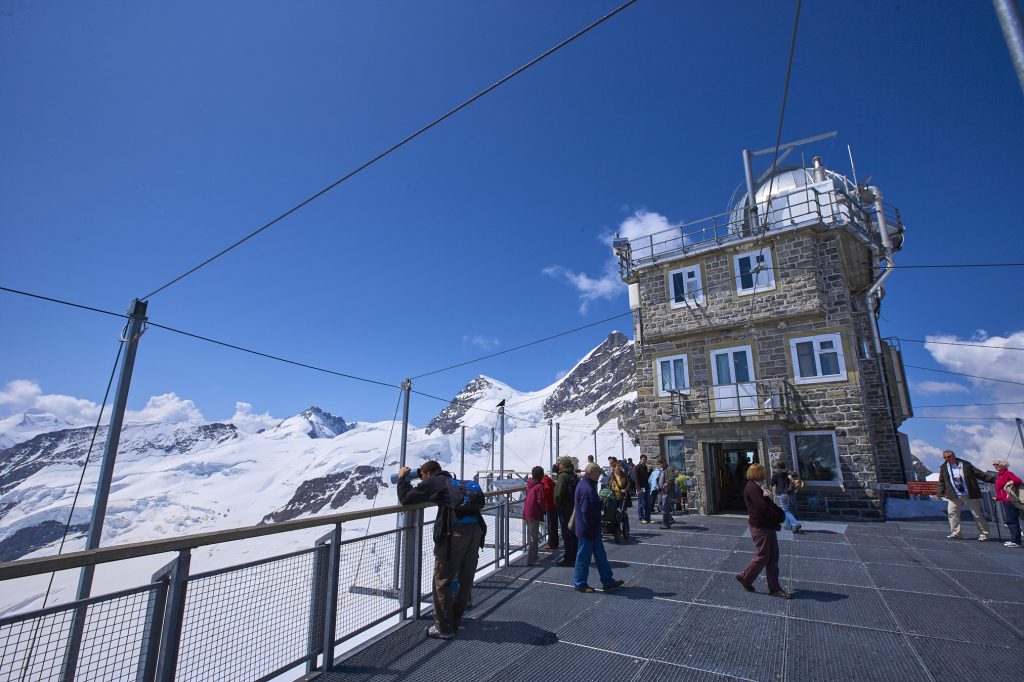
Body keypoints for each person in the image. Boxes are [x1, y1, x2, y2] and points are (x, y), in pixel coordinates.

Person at [397, 460, 486, 639]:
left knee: (442, 579)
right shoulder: (452, 480)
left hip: (456, 533)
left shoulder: (433, 481)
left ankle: (444, 628)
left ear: (427, 473)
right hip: (476, 529)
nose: (421, 480)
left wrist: (402, 479)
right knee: (466, 577)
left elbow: (406, 499)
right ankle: (455, 619)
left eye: (421, 476)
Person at [736, 463, 791, 599]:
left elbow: (765, 505)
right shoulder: (753, 488)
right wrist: (777, 516)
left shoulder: (756, 486)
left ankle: (774, 587)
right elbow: (762, 508)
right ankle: (746, 576)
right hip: (761, 526)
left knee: (772, 557)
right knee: (764, 555)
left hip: (766, 526)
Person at [573, 463, 625, 593]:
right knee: (583, 557)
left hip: (591, 528)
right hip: (588, 529)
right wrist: (593, 526)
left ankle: (607, 580)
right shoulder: (587, 489)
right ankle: (580, 583)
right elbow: (586, 511)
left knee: (600, 555)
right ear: (594, 474)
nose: (600, 476)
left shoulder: (585, 484)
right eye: (599, 474)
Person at [936, 450, 995, 541]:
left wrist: (994, 480)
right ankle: (956, 533)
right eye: (945, 457)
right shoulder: (944, 468)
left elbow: (979, 474)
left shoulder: (966, 465)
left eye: (949, 456)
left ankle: (984, 534)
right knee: (952, 513)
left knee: (977, 514)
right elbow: (941, 481)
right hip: (954, 495)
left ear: (954, 456)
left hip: (970, 494)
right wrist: (940, 492)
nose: (947, 459)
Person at [554, 456, 579, 566]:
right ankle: (575, 556)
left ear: (563, 465)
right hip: (573, 507)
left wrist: (557, 504)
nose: (558, 465)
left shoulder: (563, 476)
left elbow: (558, 493)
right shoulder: (572, 475)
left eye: (559, 464)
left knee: (566, 533)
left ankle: (568, 558)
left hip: (564, 508)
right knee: (573, 532)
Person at [993, 458, 1022, 548]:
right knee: (1011, 519)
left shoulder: (1007, 474)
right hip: (1006, 500)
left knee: (1012, 520)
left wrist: (1011, 485)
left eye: (996, 464)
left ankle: (1016, 541)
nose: (994, 466)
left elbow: (1018, 481)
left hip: (1010, 500)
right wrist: (997, 497)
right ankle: (1015, 539)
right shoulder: (1000, 475)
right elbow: (1001, 489)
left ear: (1002, 465)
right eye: (994, 464)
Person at [771, 459, 802, 533]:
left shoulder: (776, 474)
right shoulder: (789, 472)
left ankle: (796, 523)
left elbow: (772, 483)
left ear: (778, 466)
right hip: (792, 493)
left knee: (786, 510)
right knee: (790, 510)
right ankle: (790, 526)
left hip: (784, 494)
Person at [524, 466, 546, 565]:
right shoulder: (539, 486)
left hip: (526, 512)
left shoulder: (529, 484)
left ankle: (534, 556)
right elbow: (540, 500)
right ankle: (531, 560)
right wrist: (543, 509)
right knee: (534, 537)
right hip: (534, 513)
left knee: (531, 536)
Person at [609, 465, 631, 539]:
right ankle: (616, 529)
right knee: (614, 514)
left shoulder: (624, 475)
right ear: (614, 468)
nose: (619, 468)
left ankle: (626, 530)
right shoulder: (611, 475)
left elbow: (628, 484)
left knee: (623, 513)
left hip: (622, 498)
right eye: (617, 467)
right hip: (613, 498)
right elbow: (607, 485)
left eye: (620, 466)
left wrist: (625, 490)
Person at [541, 466, 559, 551]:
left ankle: (552, 544)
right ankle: (554, 542)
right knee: (553, 524)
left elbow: (547, 489)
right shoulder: (547, 479)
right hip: (553, 504)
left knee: (551, 525)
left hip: (549, 505)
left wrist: (543, 498)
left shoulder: (544, 480)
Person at [634, 455, 651, 524]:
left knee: (647, 503)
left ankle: (647, 518)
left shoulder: (645, 467)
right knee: (641, 504)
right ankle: (641, 518)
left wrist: (650, 471)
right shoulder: (637, 467)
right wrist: (638, 488)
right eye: (643, 459)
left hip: (646, 487)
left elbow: (646, 476)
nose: (644, 461)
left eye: (645, 459)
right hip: (641, 488)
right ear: (640, 459)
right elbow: (636, 478)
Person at [659, 464, 677, 528]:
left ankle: (665, 524)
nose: (659, 466)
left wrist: (667, 483)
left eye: (660, 464)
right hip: (661, 491)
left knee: (665, 507)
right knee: (660, 504)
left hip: (667, 491)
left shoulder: (669, 469)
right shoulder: (661, 470)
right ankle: (670, 519)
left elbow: (672, 477)